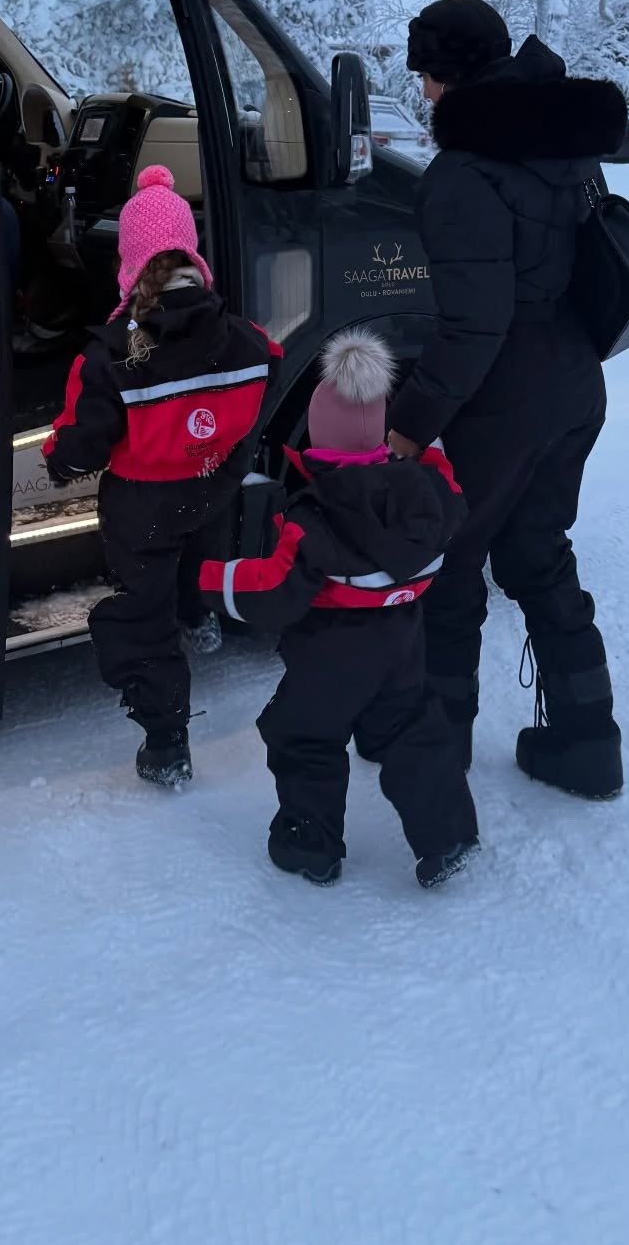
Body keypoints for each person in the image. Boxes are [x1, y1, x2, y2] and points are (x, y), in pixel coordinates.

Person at [383, 0, 629, 799]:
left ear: (447, 73)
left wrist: (412, 424)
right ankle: (589, 746)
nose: (420, 90)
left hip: (503, 399)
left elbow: (474, 327)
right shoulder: (560, 143)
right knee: (539, 557)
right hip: (574, 381)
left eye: (424, 73)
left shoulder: (463, 177)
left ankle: (435, 760)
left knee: (451, 571)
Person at [200, 328, 479, 889]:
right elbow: (450, 491)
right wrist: (426, 454)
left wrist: (208, 580)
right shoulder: (424, 497)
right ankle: (447, 835)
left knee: (303, 737)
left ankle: (312, 845)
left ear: (318, 445)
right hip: (401, 646)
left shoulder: (315, 517)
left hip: (330, 658)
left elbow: (273, 590)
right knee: (411, 732)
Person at [43, 165, 280, 786]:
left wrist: (58, 460)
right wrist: (224, 448)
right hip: (210, 486)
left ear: (129, 260)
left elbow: (82, 440)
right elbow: (269, 376)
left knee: (143, 615)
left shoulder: (111, 355)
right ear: (191, 254)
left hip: (140, 506)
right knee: (196, 546)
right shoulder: (245, 339)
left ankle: (167, 742)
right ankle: (199, 613)